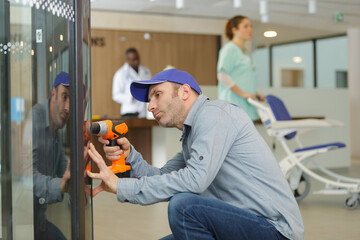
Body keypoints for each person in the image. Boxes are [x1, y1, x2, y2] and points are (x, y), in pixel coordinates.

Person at [87, 69, 304, 240]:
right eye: (149, 100)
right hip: (243, 224)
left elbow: (195, 180)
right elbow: (162, 176)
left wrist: (122, 186)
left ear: (184, 92)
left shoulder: (214, 115)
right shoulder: (193, 134)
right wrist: (130, 155)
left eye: (157, 95)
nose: (150, 106)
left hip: (275, 230)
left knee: (184, 206)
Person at [24, 72, 71, 239]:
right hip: (24, 221)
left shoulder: (55, 130)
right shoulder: (35, 118)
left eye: (72, 101)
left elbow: (62, 167)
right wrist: (60, 185)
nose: (68, 107)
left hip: (40, 220)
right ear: (53, 94)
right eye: (64, 97)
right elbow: (27, 176)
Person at [217, 15, 265, 121]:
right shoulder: (229, 49)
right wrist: (242, 94)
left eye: (251, 26)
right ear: (235, 30)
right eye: (245, 26)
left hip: (247, 105)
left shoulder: (247, 53)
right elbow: (222, 76)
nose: (250, 29)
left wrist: (255, 93)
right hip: (232, 104)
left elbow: (243, 78)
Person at [112, 47, 152, 118]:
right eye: (134, 59)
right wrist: (131, 97)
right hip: (129, 111)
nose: (136, 61)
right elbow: (116, 95)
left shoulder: (146, 71)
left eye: (137, 58)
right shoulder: (120, 73)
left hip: (144, 111)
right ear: (127, 60)